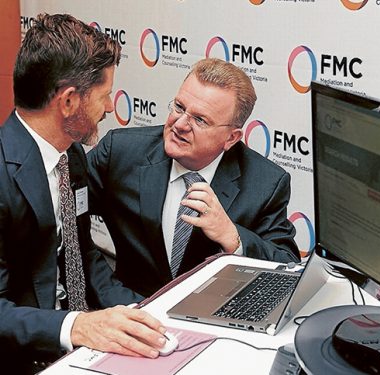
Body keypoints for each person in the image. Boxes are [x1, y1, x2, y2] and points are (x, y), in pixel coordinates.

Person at [0, 14, 168, 374]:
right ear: (69, 102)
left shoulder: (70, 156)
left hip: (77, 340)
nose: (110, 108)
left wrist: (142, 313)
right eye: (105, 96)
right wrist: (75, 327)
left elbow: (82, 251)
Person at [87, 57, 300, 298]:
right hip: (130, 309)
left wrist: (232, 236)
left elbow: (287, 269)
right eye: (179, 107)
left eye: (199, 120)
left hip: (214, 322)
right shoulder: (121, 153)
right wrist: (111, 295)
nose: (179, 124)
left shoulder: (265, 183)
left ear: (231, 137)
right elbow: (64, 218)